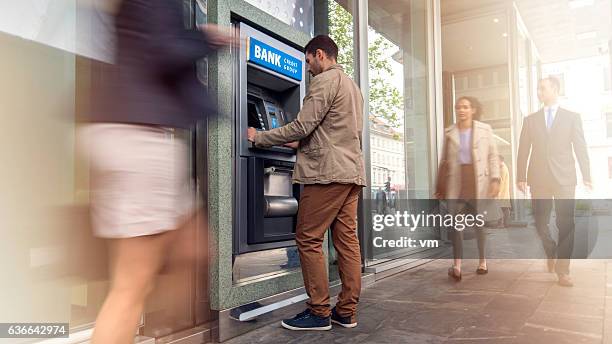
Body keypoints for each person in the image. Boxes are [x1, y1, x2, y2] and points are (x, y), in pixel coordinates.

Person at [81, 1, 233, 343]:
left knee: (195, 247)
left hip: (141, 137)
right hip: (139, 138)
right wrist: (206, 37)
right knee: (131, 287)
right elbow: (162, 50)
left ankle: (165, 331)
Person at [247, 35, 366, 330]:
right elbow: (331, 132)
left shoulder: (325, 81)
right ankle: (346, 311)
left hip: (326, 174)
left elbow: (302, 125)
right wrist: (299, 145)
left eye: (309, 60)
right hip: (350, 173)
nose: (308, 67)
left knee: (309, 238)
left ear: (321, 55)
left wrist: (259, 136)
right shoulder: (353, 87)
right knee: (347, 243)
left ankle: (319, 311)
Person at [516, 76, 591, 287]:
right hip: (538, 178)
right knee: (540, 222)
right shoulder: (530, 120)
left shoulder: (572, 117)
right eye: (538, 89)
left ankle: (563, 270)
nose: (539, 92)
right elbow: (523, 149)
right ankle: (551, 251)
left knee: (566, 223)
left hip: (565, 178)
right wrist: (520, 176)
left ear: (555, 90)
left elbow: (580, 147)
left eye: (543, 89)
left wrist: (587, 175)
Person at [435, 96, 500, 281]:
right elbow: (444, 162)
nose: (461, 110)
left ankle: (482, 261)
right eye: (458, 107)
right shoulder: (450, 132)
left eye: (465, 107)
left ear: (473, 110)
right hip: (457, 183)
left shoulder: (484, 130)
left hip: (477, 182)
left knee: (479, 225)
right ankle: (457, 266)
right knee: (456, 227)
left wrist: (495, 179)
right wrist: (439, 185)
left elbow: (493, 156)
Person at [497, 155, 511, 227]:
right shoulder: (503, 167)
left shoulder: (503, 168)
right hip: (504, 192)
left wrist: (498, 192)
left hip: (502, 192)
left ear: (500, 160)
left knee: (503, 209)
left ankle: (502, 224)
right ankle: (504, 224)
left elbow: (501, 182)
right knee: (504, 208)